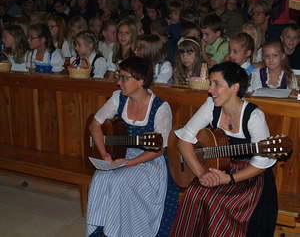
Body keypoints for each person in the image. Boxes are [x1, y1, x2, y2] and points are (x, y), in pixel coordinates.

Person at [171, 61, 277, 237]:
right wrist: (201, 174)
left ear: (234, 87)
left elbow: (261, 164)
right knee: (194, 193)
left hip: (248, 177)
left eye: (216, 84)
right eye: (211, 83)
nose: (210, 90)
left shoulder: (253, 115)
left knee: (214, 200)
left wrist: (229, 179)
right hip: (217, 168)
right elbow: (183, 141)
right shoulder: (211, 106)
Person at [86, 56, 172, 237]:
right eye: (119, 76)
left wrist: (129, 163)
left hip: (149, 160)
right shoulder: (118, 98)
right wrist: (104, 155)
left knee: (120, 181)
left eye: (124, 78)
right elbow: (95, 125)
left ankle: (125, 231)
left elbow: (158, 150)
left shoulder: (161, 108)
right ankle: (102, 230)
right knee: (100, 178)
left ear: (141, 80)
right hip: (121, 154)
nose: (119, 83)